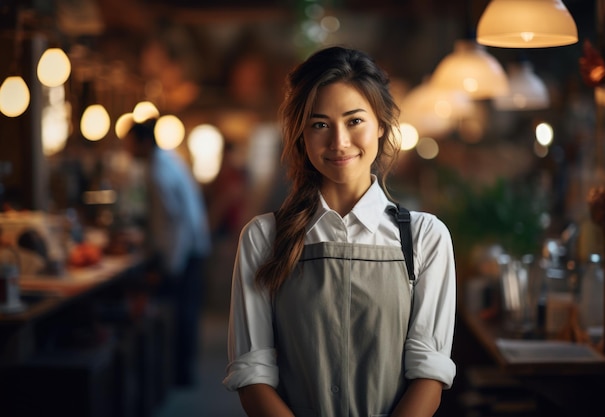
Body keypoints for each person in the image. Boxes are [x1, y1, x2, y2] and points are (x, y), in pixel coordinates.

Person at [222, 46, 456, 417]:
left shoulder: (426, 238)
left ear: (381, 124)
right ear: (301, 135)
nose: (338, 142)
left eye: (354, 121)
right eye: (319, 125)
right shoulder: (263, 238)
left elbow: (429, 375)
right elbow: (253, 375)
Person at [123, 118, 211, 387]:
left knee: (182, 314)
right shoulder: (165, 161)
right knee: (184, 314)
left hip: (185, 250)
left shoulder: (159, 171)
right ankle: (180, 374)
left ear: (144, 142)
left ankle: (180, 376)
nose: (127, 150)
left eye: (130, 143)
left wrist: (170, 266)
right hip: (190, 246)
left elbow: (174, 222)